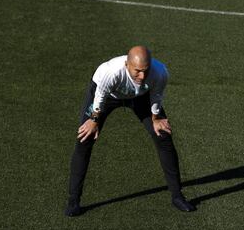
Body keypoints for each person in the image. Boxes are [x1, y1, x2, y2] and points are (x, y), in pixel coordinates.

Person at [65, 46, 196, 216]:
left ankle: (178, 196)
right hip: (108, 97)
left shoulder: (160, 72)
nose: (142, 76)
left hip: (141, 97)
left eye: (145, 71)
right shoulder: (110, 72)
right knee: (85, 138)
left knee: (163, 136)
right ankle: (73, 200)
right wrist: (94, 120)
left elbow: (156, 95)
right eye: (137, 71)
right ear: (127, 64)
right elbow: (100, 96)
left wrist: (156, 118)